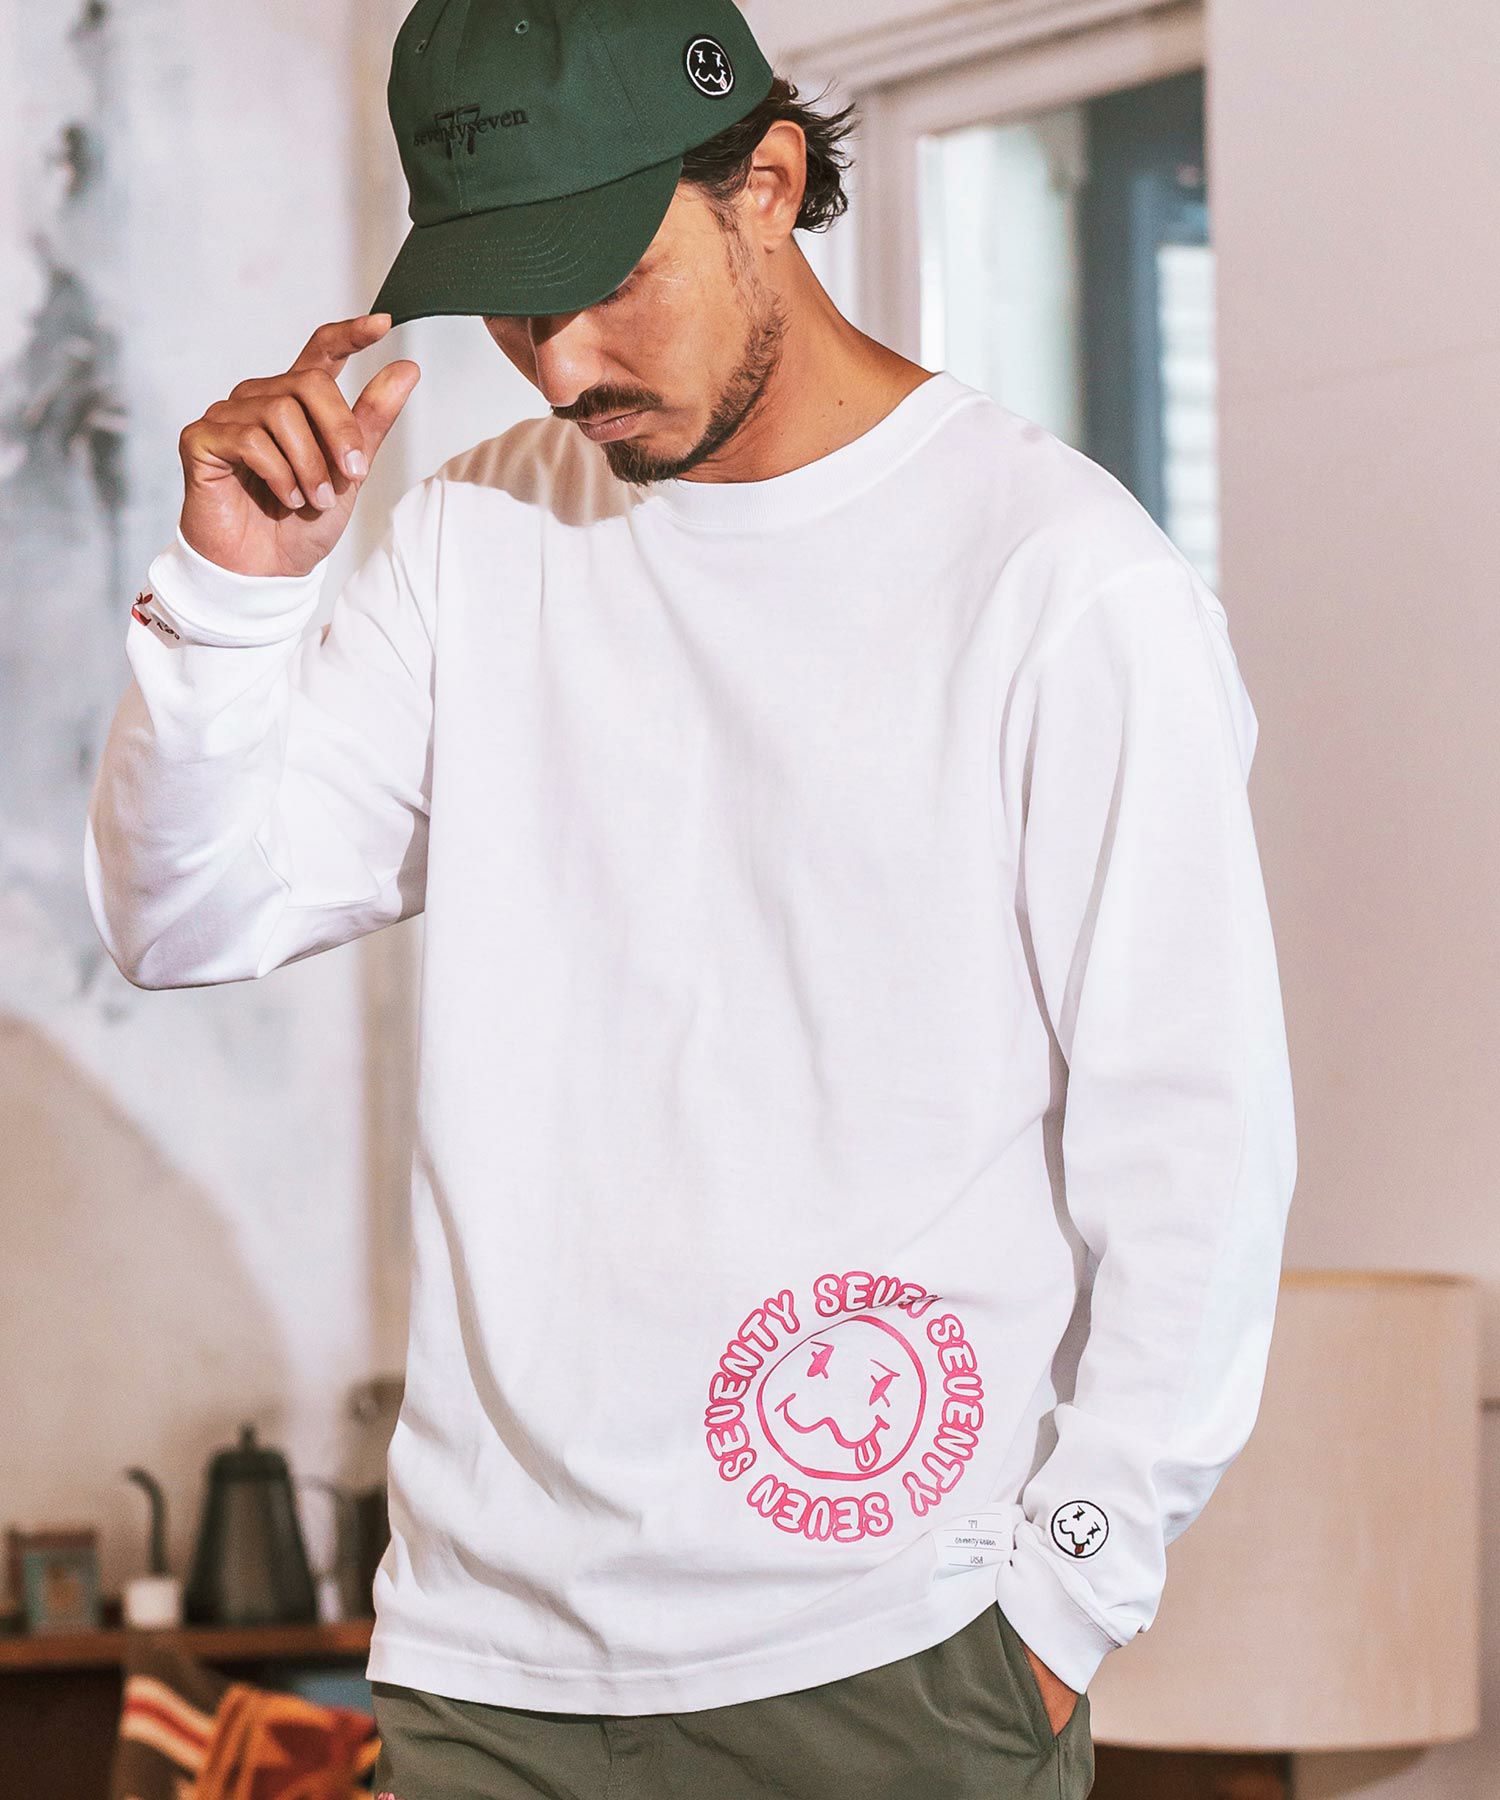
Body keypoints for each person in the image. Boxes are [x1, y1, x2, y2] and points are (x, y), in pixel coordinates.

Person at [83, 1, 1298, 1795]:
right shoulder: (477, 537)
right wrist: (232, 598)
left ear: (768, 184)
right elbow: (182, 920)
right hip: (486, 1664)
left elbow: (1197, 1144)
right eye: (511, 305)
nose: (561, 362)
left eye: (604, 279)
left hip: (891, 1657)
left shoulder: (1062, 583)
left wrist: (1062, 1609)